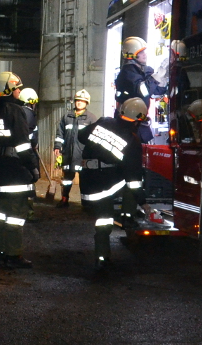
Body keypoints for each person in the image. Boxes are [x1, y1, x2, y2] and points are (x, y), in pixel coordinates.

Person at [78, 98, 149, 274]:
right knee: (130, 184)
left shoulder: (103, 122)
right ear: (139, 119)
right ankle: (127, 217)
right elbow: (133, 178)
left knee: (103, 218)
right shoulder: (132, 140)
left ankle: (102, 258)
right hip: (104, 185)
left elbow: (81, 136)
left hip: (87, 183)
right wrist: (144, 203)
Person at [0, 71, 38, 269]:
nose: (19, 92)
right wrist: (32, 167)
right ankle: (13, 255)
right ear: (8, 89)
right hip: (15, 170)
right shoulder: (15, 110)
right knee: (15, 215)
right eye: (16, 88)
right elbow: (23, 144)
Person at [54, 88, 96, 208]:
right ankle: (64, 200)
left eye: (82, 101)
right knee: (66, 179)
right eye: (78, 100)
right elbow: (60, 134)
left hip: (83, 156)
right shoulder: (67, 116)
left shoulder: (91, 118)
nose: (79, 102)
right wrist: (57, 147)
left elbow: (94, 138)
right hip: (68, 154)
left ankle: (86, 204)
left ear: (87, 103)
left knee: (85, 180)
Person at [114, 36, 164, 114]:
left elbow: (155, 93)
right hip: (128, 116)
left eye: (144, 52)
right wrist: (155, 78)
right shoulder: (128, 73)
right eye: (141, 52)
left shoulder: (143, 70)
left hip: (139, 114)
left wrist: (162, 80)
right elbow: (142, 93)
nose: (145, 55)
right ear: (132, 54)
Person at [18, 87, 40, 221]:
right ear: (31, 102)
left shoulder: (18, 111)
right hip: (27, 154)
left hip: (16, 156)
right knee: (29, 184)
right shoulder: (30, 115)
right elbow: (30, 137)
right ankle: (29, 214)